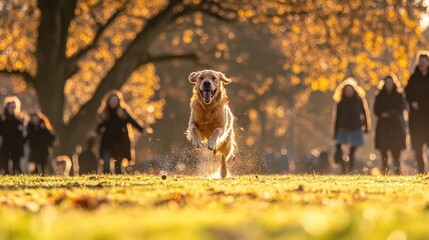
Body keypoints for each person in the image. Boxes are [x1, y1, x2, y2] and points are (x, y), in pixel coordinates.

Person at [95, 90, 144, 174]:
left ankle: (119, 182)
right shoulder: (105, 113)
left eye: (115, 100)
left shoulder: (122, 112)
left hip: (120, 142)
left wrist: (142, 129)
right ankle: (104, 182)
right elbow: (100, 126)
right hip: (107, 141)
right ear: (108, 102)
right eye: (112, 100)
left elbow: (132, 121)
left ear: (118, 101)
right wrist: (95, 133)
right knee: (106, 165)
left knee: (118, 166)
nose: (113, 102)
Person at [333, 78, 370, 174]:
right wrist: (335, 132)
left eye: (350, 90)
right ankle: (343, 166)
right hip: (343, 128)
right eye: (346, 90)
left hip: (355, 128)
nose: (348, 92)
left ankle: (349, 170)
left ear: (354, 90)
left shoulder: (359, 100)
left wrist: (367, 127)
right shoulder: (340, 102)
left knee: (352, 152)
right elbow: (337, 117)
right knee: (338, 149)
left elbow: (365, 114)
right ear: (343, 91)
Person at [374, 75, 406, 175]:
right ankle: (385, 171)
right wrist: (382, 114)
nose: (388, 84)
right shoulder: (379, 95)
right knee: (383, 149)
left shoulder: (398, 95)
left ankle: (397, 171)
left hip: (395, 126)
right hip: (383, 126)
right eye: (387, 82)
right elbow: (375, 109)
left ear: (393, 83)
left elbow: (401, 108)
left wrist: (390, 113)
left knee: (396, 150)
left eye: (390, 82)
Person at [405, 51, 429, 174]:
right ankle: (421, 172)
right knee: (418, 147)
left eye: (424, 61)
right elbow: (407, 93)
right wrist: (412, 101)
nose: (421, 64)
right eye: (420, 61)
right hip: (416, 119)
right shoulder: (413, 78)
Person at [0, 96, 26, 175]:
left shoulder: (19, 118)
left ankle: (16, 172)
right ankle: (6, 172)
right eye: (11, 107)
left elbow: (22, 134)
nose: (13, 109)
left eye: (14, 107)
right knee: (5, 158)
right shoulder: (3, 118)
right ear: (7, 107)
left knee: (16, 159)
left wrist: (21, 130)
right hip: (6, 141)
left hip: (16, 143)